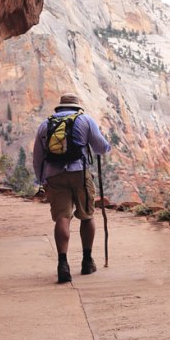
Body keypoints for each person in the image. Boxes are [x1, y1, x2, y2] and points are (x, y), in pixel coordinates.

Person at [33, 93, 111, 284]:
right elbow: (101, 147)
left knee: (62, 217)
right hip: (80, 173)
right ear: (77, 107)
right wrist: (105, 146)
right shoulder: (84, 120)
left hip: (55, 176)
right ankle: (87, 260)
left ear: (60, 107)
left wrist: (41, 180)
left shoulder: (45, 125)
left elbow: (37, 157)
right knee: (87, 215)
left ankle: (63, 263)